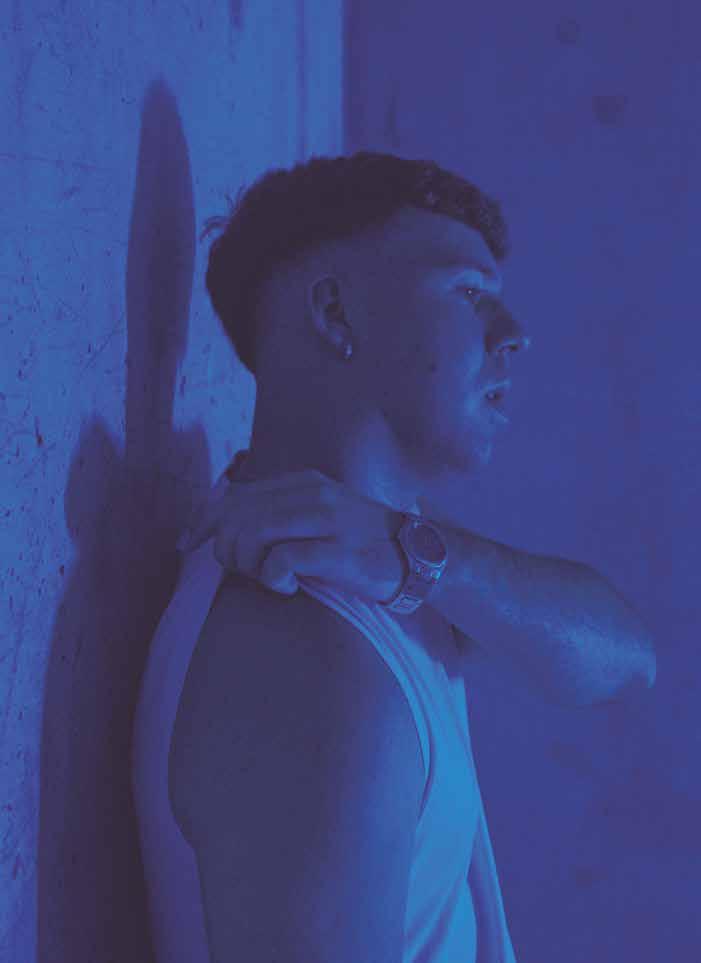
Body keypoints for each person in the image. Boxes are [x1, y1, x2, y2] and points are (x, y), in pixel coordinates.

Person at [131, 151, 656, 963]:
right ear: (335, 311)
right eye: (469, 293)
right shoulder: (300, 641)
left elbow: (624, 659)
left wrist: (414, 557)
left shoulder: (387, 565)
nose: (514, 334)